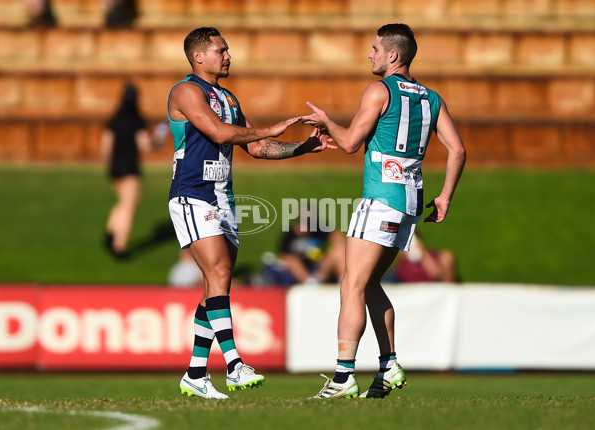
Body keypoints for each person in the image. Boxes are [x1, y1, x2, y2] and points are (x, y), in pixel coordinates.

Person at [168, 27, 334, 400]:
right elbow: (221, 134)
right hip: (192, 195)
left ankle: (195, 374)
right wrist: (269, 127)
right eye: (220, 50)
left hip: (223, 199)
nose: (228, 56)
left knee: (216, 286)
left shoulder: (227, 97)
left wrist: (301, 148)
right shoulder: (186, 91)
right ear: (199, 57)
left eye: (227, 50)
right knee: (221, 272)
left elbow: (258, 148)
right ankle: (234, 364)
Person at [303, 23, 466, 399]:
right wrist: (444, 197)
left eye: (375, 48)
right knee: (371, 282)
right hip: (410, 202)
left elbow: (348, 143)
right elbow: (458, 150)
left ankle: (344, 377)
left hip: (380, 199)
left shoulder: (379, 90)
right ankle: (389, 364)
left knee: (352, 283)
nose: (370, 54)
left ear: (393, 54)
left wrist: (327, 122)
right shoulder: (432, 98)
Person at [101, 84, 151, 259]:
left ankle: (110, 231)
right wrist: (157, 142)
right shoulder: (137, 121)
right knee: (129, 206)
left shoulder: (114, 120)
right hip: (130, 168)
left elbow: (106, 145)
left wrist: (109, 164)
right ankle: (119, 245)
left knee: (122, 202)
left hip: (115, 167)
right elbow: (144, 145)